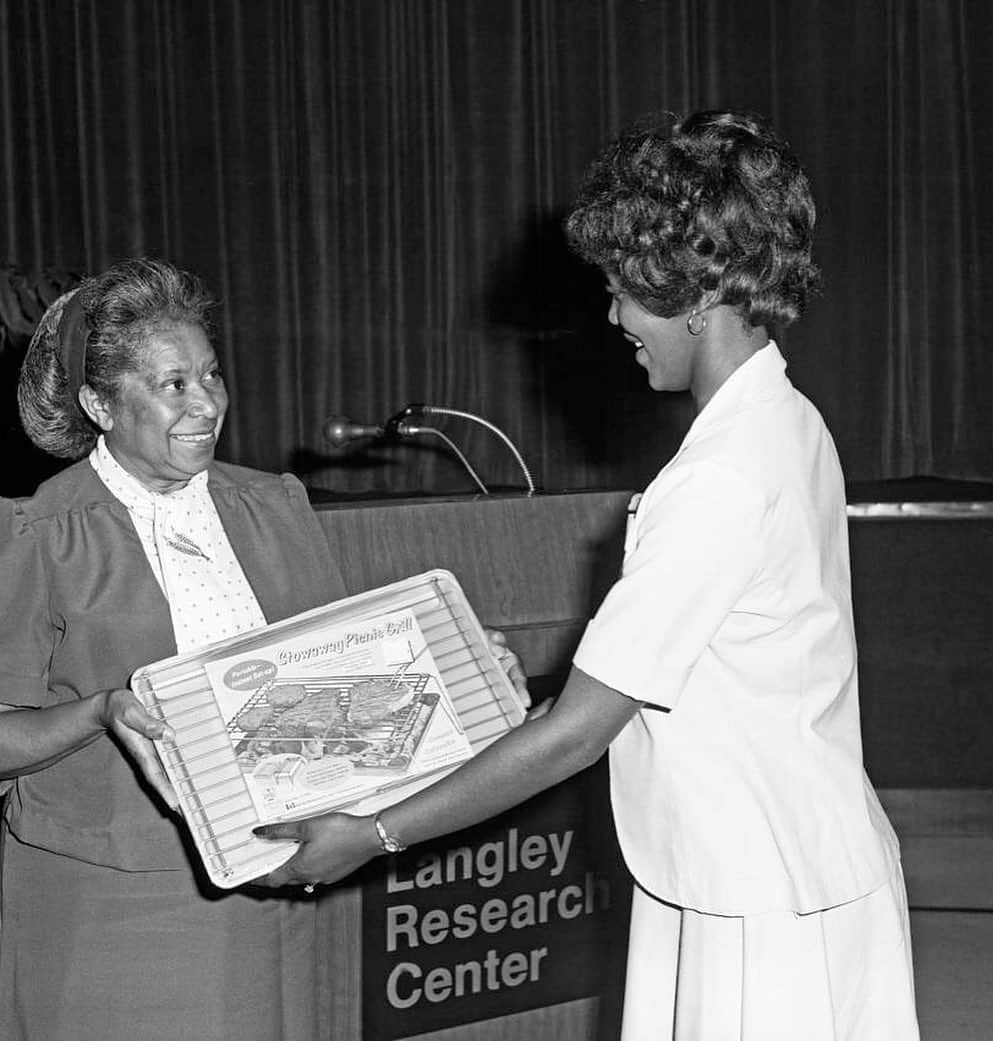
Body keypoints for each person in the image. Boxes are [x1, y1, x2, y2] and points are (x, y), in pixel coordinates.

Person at [249, 112, 920, 1041]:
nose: (613, 319)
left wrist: (372, 832)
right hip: (765, 865)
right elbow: (689, 671)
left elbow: (578, 736)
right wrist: (515, 693)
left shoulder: (719, 475)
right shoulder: (784, 415)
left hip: (759, 901)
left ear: (693, 295)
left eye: (621, 294)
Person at [0, 255, 525, 1041]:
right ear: (98, 404)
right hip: (110, 898)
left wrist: (457, 669)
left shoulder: (273, 504)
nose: (206, 401)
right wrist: (99, 713)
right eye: (172, 384)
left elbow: (330, 685)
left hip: (270, 881)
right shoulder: (41, 531)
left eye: (211, 374)